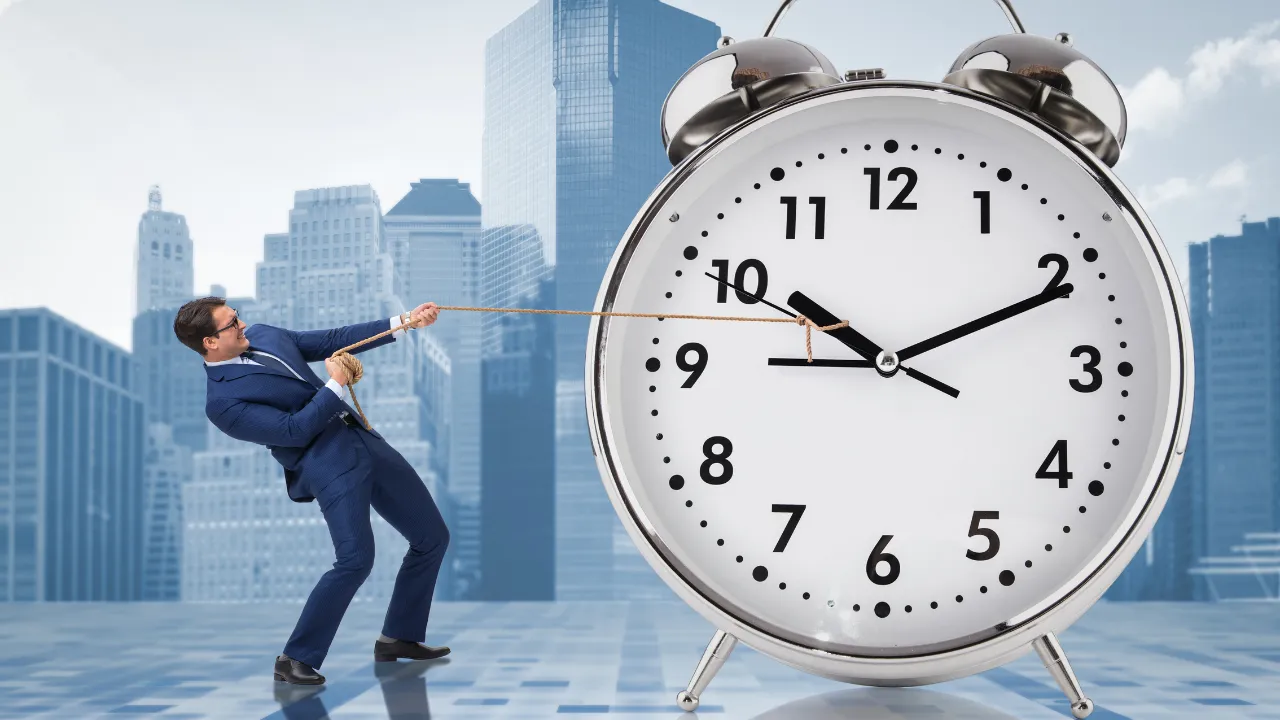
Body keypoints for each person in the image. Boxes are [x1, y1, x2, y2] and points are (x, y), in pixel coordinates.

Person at [173, 297, 451, 685]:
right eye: (231, 324)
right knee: (355, 559)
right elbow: (294, 430)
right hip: (327, 463)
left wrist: (404, 322)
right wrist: (336, 383)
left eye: (236, 316)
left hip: (362, 439)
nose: (243, 324)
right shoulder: (222, 403)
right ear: (210, 343)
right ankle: (294, 658)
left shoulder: (264, 335)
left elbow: (333, 339)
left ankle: (399, 638)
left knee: (432, 536)